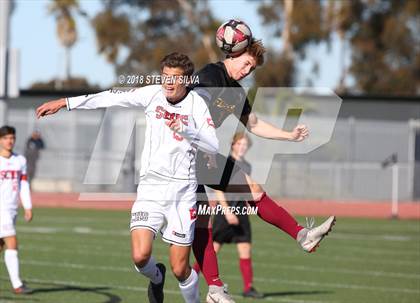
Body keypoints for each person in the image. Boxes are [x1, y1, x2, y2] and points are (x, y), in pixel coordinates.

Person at [36, 52, 221, 303]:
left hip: (182, 193)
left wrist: (188, 130)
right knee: (140, 256)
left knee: (181, 269)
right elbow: (111, 97)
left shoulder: (197, 104)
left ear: (187, 80)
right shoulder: (152, 94)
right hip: (150, 190)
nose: (168, 82)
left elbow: (213, 144)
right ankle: (156, 277)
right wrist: (66, 102)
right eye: (165, 76)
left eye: (175, 78)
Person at [190, 38, 336, 302]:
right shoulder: (210, 75)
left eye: (252, 68)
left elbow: (253, 124)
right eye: (246, 63)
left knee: (254, 191)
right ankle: (207, 285)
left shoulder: (236, 92)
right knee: (195, 230)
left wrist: (288, 135)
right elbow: (190, 107)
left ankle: (302, 235)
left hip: (203, 155)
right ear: (233, 53)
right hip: (183, 154)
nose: (247, 71)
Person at [211, 132, 263, 298]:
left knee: (245, 247)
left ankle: (248, 288)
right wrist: (227, 212)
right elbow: (218, 189)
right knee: (213, 250)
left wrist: (249, 204)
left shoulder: (247, 166)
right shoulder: (226, 163)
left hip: (240, 211)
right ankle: (192, 278)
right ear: (233, 144)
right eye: (239, 144)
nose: (242, 147)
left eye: (245, 145)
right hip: (224, 212)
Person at [0, 125, 33, 294]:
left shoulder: (20, 160)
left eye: (12, 138)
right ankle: (17, 284)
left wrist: (28, 206)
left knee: (1, 246)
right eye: (5, 138)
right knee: (12, 243)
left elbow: (24, 184)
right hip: (1, 209)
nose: (9, 141)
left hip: (12, 209)